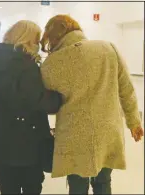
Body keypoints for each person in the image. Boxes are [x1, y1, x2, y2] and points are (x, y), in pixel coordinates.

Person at [40, 15, 144, 194]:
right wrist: (134, 122)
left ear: (53, 36)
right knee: (103, 182)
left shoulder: (51, 64)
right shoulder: (108, 48)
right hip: (108, 130)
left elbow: (47, 102)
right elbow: (126, 90)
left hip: (74, 136)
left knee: (77, 186)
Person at [0, 20, 62, 194]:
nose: (38, 46)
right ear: (27, 40)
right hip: (24, 142)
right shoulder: (25, 65)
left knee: (8, 187)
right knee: (31, 186)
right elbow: (37, 99)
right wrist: (59, 98)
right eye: (36, 41)